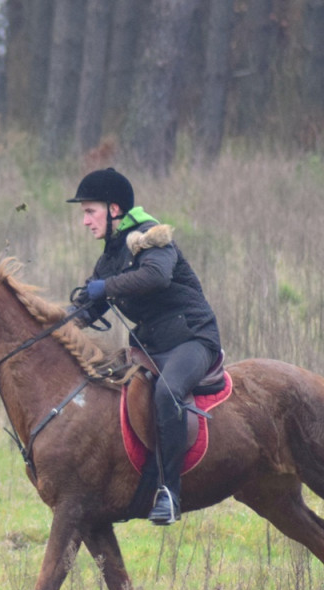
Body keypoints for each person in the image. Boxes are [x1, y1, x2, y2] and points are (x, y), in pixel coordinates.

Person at [68, 168, 221, 525]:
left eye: (90, 211)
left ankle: (170, 494)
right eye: (84, 214)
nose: (85, 221)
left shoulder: (150, 236)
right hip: (152, 348)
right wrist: (45, 327)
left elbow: (156, 276)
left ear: (114, 209)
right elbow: (87, 310)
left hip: (193, 339)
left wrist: (104, 288)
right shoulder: (109, 258)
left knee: (168, 394)